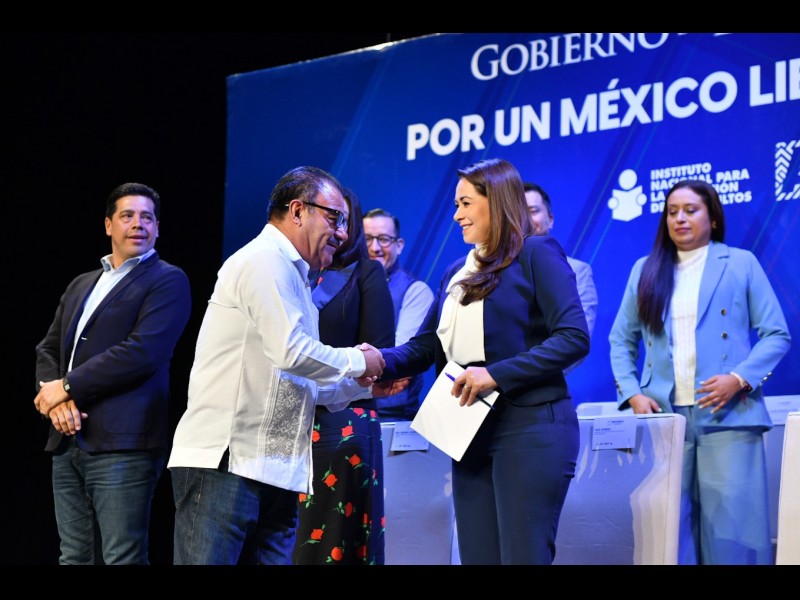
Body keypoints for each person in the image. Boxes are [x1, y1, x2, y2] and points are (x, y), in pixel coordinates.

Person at [374, 158, 590, 564]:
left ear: (497, 201)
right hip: (469, 431)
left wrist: (495, 375)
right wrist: (375, 362)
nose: (456, 215)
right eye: (455, 205)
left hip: (530, 428)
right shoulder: (458, 270)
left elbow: (573, 338)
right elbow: (426, 345)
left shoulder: (536, 253)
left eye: (465, 203)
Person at [167, 166, 385, 565]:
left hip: (277, 471)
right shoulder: (264, 260)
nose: (342, 234)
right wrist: (359, 360)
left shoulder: (297, 278)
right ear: (298, 211)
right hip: (227, 464)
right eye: (335, 218)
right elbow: (292, 351)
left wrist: (365, 385)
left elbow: (298, 380)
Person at [608, 179, 791, 565]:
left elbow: (776, 334)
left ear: (713, 218)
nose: (679, 218)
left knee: (733, 533)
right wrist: (633, 393)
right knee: (668, 534)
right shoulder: (645, 269)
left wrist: (738, 379)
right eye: (672, 212)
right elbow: (620, 340)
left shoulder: (740, 262)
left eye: (690, 210)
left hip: (729, 416)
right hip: (664, 420)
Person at [33, 182, 192, 565]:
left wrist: (66, 387)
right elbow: (48, 349)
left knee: (123, 558)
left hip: (124, 444)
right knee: (74, 557)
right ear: (108, 225)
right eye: (127, 215)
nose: (138, 224)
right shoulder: (82, 284)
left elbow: (142, 352)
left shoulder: (167, 279)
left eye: (147, 218)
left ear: (157, 228)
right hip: (67, 439)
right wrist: (57, 402)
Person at [293, 189, 396, 565]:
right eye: (330, 218)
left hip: (344, 425)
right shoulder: (293, 272)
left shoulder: (367, 272)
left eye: (343, 221)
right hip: (290, 421)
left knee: (336, 543)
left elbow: (379, 356)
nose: (336, 229)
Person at [363, 208, 435, 421]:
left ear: (399, 245)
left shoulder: (415, 291)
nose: (374, 247)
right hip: (341, 406)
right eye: (367, 239)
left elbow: (401, 359)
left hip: (391, 415)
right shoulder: (343, 283)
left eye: (384, 239)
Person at [524, 182, 597, 373]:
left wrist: (527, 377)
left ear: (550, 219)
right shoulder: (497, 271)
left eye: (532, 211)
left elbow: (577, 341)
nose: (525, 220)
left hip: (544, 384)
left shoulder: (577, 271)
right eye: (517, 214)